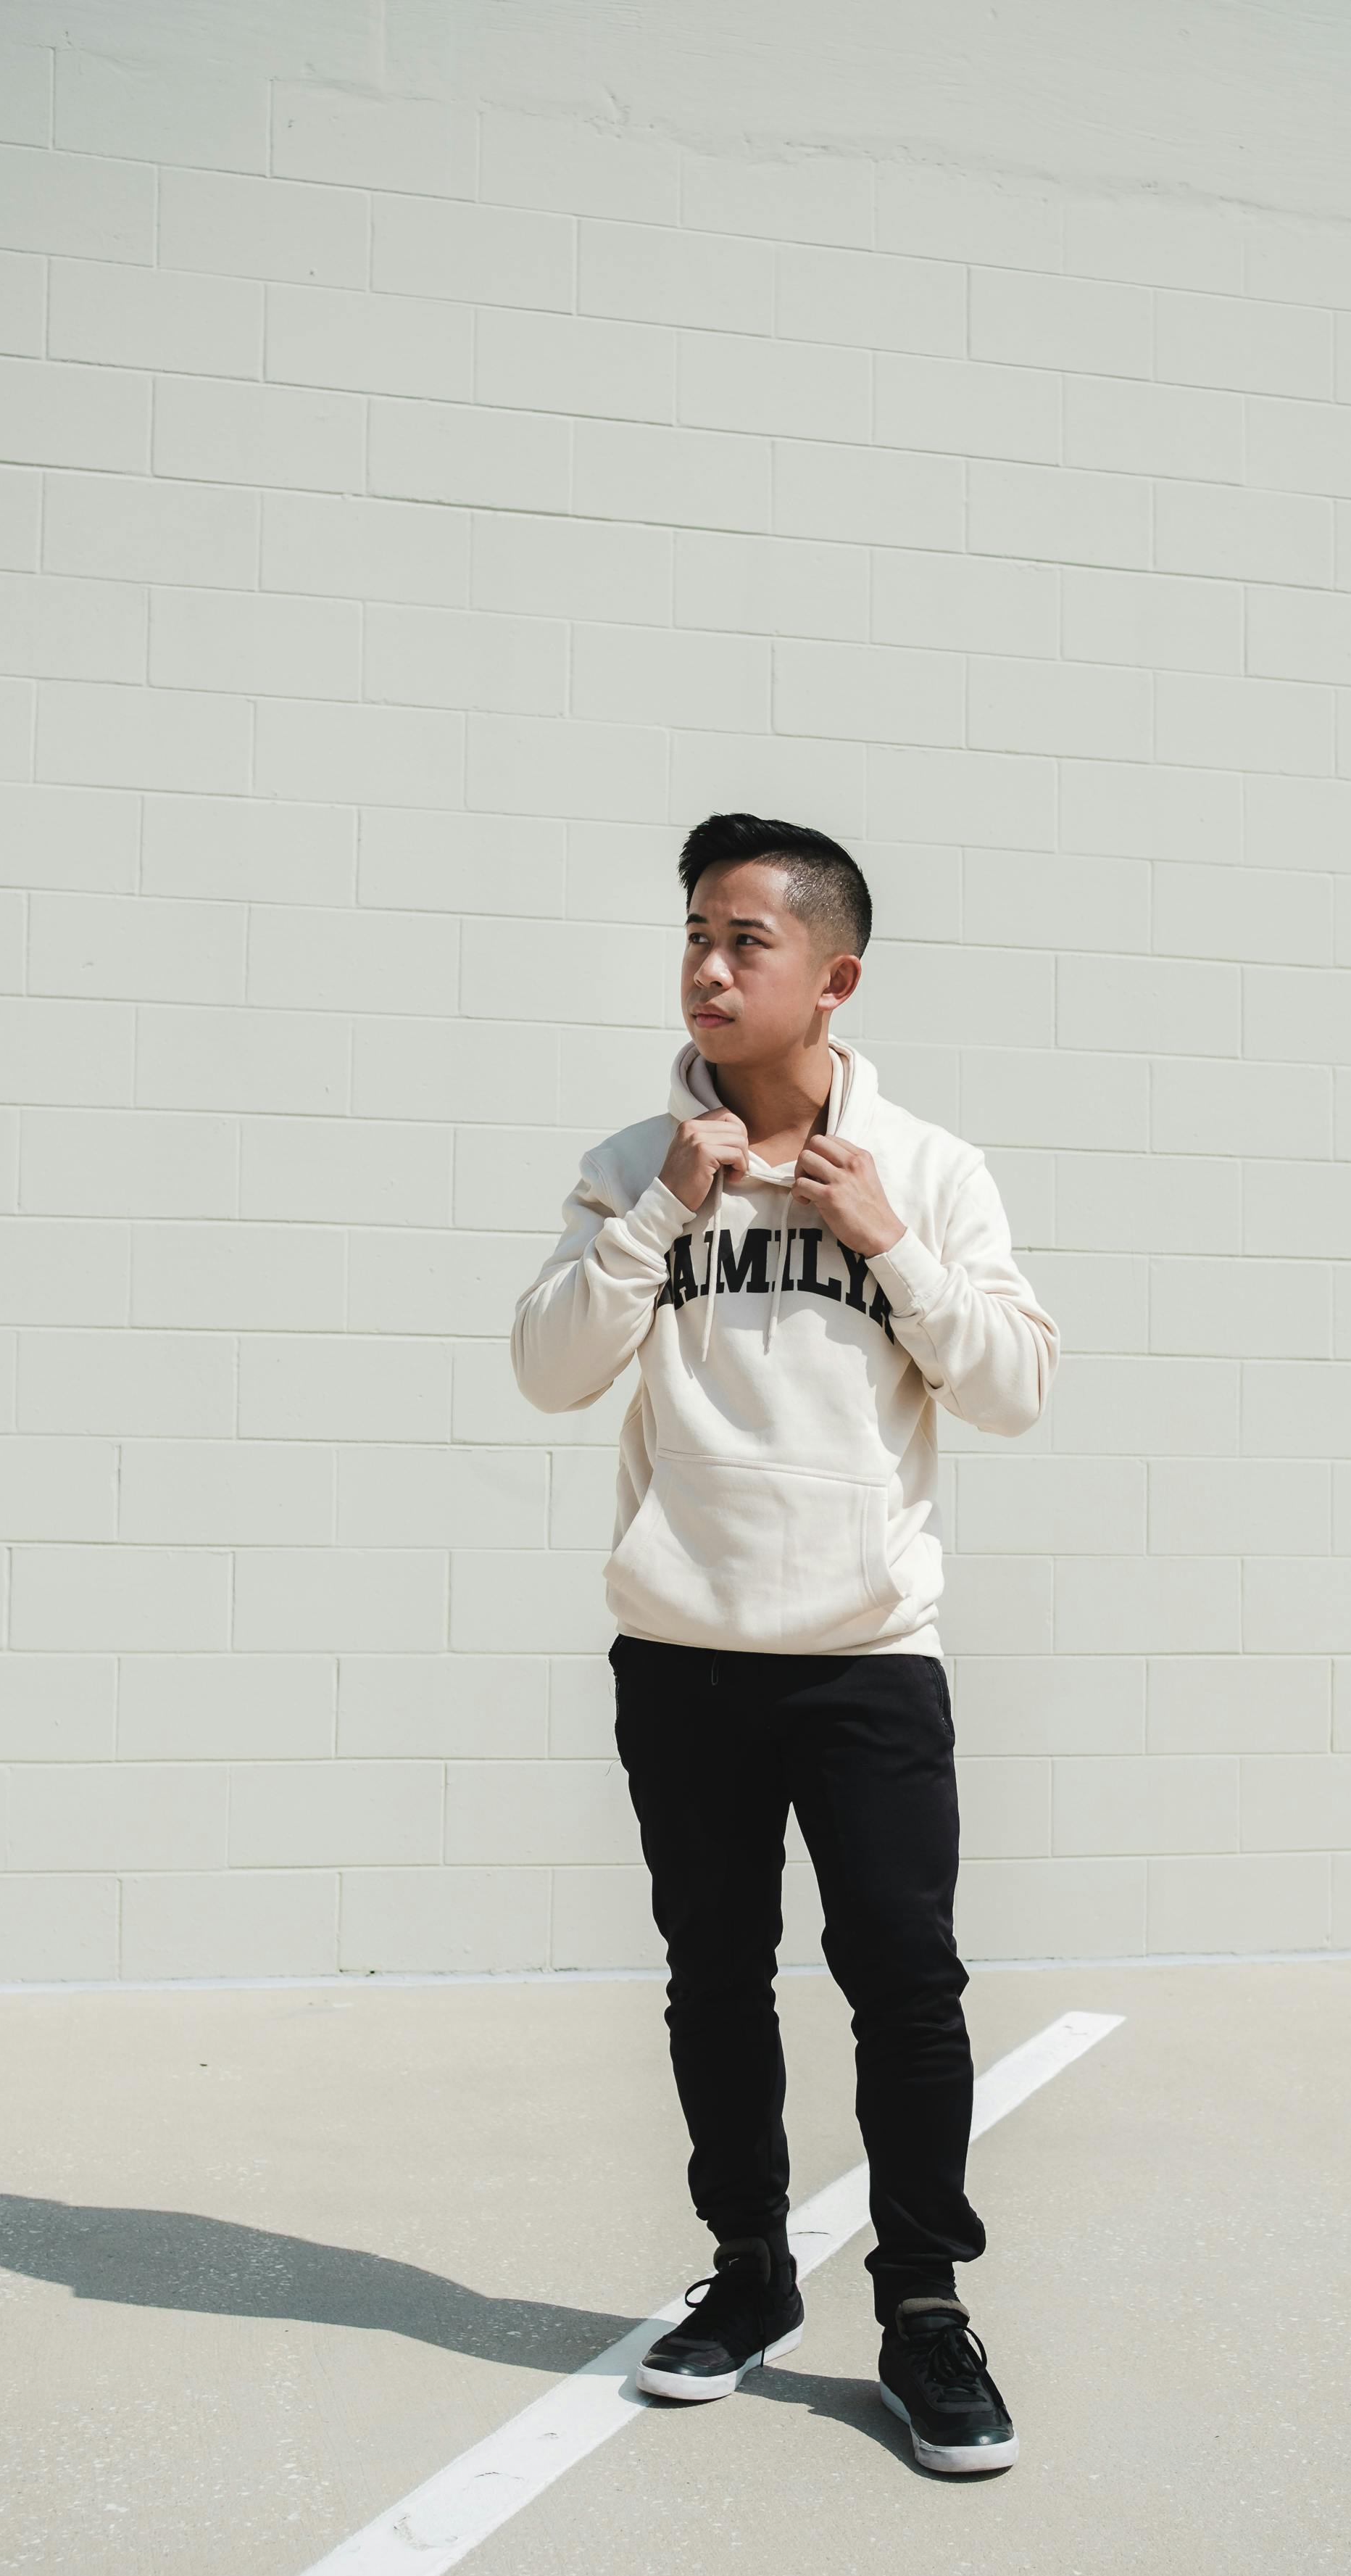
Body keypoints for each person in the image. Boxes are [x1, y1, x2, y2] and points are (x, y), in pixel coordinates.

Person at [510, 812, 1057, 2475]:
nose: (705, 964)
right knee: (713, 1981)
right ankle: (750, 2275)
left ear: (833, 976)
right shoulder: (630, 1161)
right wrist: (651, 1219)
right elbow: (545, 1367)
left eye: (744, 938)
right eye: (693, 932)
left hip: (868, 1655)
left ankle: (921, 2308)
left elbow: (1014, 1387)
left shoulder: (933, 1167)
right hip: (679, 1649)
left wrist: (887, 1239)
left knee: (906, 1986)